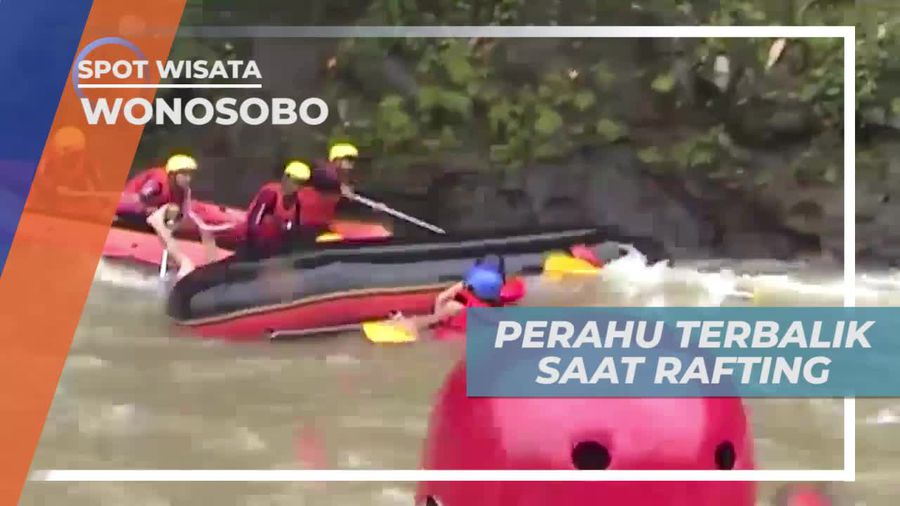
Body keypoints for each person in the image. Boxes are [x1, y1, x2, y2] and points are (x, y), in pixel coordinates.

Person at [121, 154, 214, 278]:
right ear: (173, 174)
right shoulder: (158, 181)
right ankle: (183, 261)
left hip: (153, 214)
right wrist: (159, 212)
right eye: (184, 174)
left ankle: (212, 265)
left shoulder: (184, 190)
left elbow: (184, 213)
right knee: (167, 211)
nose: (188, 179)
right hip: (129, 209)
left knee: (201, 224)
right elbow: (142, 199)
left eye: (190, 175)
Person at [392, 256, 526, 338]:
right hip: (463, 339)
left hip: (447, 339)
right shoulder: (502, 311)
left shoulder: (457, 306)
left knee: (433, 319)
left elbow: (439, 304)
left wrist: (409, 323)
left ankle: (405, 323)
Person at [244, 160, 312, 257]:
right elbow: (253, 225)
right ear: (285, 178)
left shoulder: (297, 203)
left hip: (275, 248)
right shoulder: (270, 195)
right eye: (295, 181)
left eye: (301, 183)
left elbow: (295, 230)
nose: (297, 187)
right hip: (254, 245)